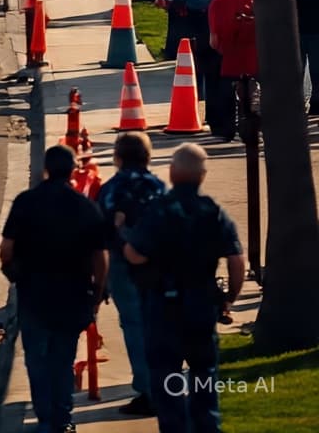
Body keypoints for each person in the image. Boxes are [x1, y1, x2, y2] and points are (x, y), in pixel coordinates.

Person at [124, 143, 245, 433]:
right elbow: (236, 260)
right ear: (202, 175)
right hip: (201, 307)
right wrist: (229, 298)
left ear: (172, 172)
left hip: (163, 308)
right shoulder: (213, 212)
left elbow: (134, 253)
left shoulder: (158, 210)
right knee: (204, 376)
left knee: (167, 380)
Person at [0, 144, 109, 433]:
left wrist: (14, 274)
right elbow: (100, 257)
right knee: (63, 361)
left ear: (46, 169)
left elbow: (6, 248)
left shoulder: (26, 202)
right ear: (73, 169)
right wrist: (97, 292)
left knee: (36, 361)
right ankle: (63, 419)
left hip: (34, 295)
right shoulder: (85, 207)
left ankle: (45, 418)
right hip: (72, 297)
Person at [97, 132, 167, 418]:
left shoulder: (110, 190)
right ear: (148, 156)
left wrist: (99, 281)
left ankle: (149, 390)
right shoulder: (159, 186)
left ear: (118, 157)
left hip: (122, 265)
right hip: (157, 263)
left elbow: (100, 236)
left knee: (134, 325)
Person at [175, 0, 237, 136]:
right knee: (221, 66)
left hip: (195, 12)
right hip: (219, 12)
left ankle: (206, 107)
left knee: (201, 62)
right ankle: (221, 112)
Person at [209, 0, 257, 142]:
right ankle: (253, 126)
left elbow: (213, 40)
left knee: (225, 93)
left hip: (228, 58)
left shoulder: (218, 2)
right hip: (253, 59)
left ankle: (227, 129)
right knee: (253, 93)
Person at [295, 0, 319, 116]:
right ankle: (317, 102)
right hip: (316, 26)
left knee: (298, 66)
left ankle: (296, 101)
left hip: (298, 26)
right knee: (317, 68)